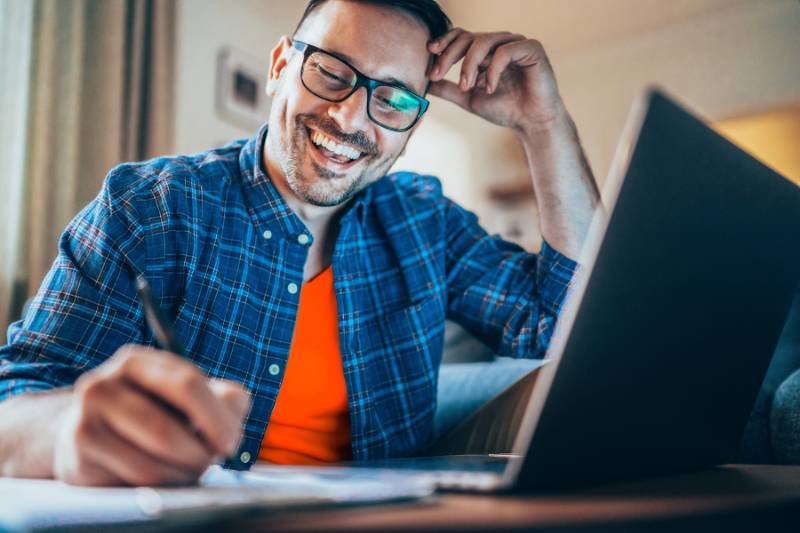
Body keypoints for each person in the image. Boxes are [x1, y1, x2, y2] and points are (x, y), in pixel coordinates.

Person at [0, 0, 599, 486]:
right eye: (332, 73)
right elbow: (16, 401)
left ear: (415, 120)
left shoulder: (425, 220)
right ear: (280, 66)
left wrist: (541, 123)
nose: (349, 118)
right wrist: (66, 428)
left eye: (392, 99)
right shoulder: (149, 206)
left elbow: (566, 318)